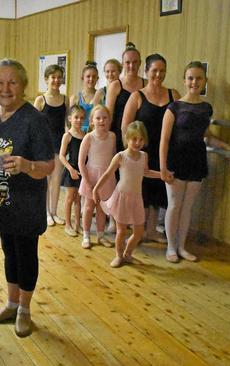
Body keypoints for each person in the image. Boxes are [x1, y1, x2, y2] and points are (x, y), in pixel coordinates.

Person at [0, 58, 54, 338]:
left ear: (23, 86)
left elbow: (48, 165)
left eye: (12, 82)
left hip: (26, 204)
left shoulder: (35, 121)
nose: (6, 88)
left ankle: (24, 309)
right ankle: (11, 304)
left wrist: (26, 166)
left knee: (26, 254)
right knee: (8, 251)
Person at [160, 61, 230, 263]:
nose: (194, 82)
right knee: (174, 205)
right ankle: (171, 247)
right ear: (184, 80)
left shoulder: (206, 108)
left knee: (187, 207)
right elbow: (164, 140)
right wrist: (163, 167)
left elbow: (206, 135)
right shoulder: (173, 107)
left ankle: (182, 246)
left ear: (204, 81)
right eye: (190, 78)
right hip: (176, 161)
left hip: (197, 160)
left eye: (198, 78)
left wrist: (225, 146)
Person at [122, 53, 181, 243]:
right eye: (154, 70)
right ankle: (138, 230)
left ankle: (152, 230)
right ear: (146, 71)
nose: (158, 74)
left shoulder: (174, 94)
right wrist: (130, 152)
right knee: (141, 193)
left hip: (165, 152)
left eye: (162, 71)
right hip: (142, 152)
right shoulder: (136, 96)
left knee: (158, 192)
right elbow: (126, 126)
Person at [93, 121, 161, 267]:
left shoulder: (144, 156)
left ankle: (128, 254)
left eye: (141, 139)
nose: (137, 142)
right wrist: (96, 188)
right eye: (134, 139)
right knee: (121, 230)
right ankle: (118, 255)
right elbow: (107, 174)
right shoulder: (120, 156)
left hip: (136, 198)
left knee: (138, 231)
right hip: (122, 197)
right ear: (127, 139)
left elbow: (146, 172)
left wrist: (162, 175)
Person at [34, 64, 68, 227]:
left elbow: (67, 123)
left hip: (59, 143)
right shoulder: (41, 100)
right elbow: (33, 125)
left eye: (58, 77)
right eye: (52, 77)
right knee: (46, 180)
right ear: (46, 79)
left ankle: (54, 212)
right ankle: (46, 212)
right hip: (44, 144)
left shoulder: (65, 99)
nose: (56, 80)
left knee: (56, 180)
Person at [78, 105, 116, 249]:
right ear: (92, 121)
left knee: (102, 208)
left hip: (106, 177)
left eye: (104, 118)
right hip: (91, 176)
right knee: (89, 207)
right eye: (98, 118)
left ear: (109, 120)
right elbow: (81, 162)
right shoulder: (89, 137)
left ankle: (101, 235)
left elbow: (113, 157)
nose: (101, 121)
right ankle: (86, 235)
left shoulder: (112, 136)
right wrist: (87, 181)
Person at [106, 42, 145, 152]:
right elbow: (108, 117)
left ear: (140, 63)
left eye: (135, 62)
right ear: (123, 64)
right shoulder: (115, 86)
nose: (131, 66)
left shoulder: (146, 84)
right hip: (119, 139)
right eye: (128, 62)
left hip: (141, 139)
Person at [58, 105, 86, 237]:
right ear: (70, 118)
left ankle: (77, 224)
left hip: (82, 171)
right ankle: (68, 224)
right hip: (71, 170)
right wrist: (70, 169)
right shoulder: (67, 136)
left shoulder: (85, 136)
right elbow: (61, 156)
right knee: (69, 198)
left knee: (78, 199)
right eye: (76, 117)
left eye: (81, 118)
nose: (79, 120)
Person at [70, 61, 99, 132]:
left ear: (97, 78)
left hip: (95, 133)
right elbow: (70, 121)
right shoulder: (75, 98)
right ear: (82, 78)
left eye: (94, 76)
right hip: (79, 133)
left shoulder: (101, 96)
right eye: (88, 76)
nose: (91, 79)